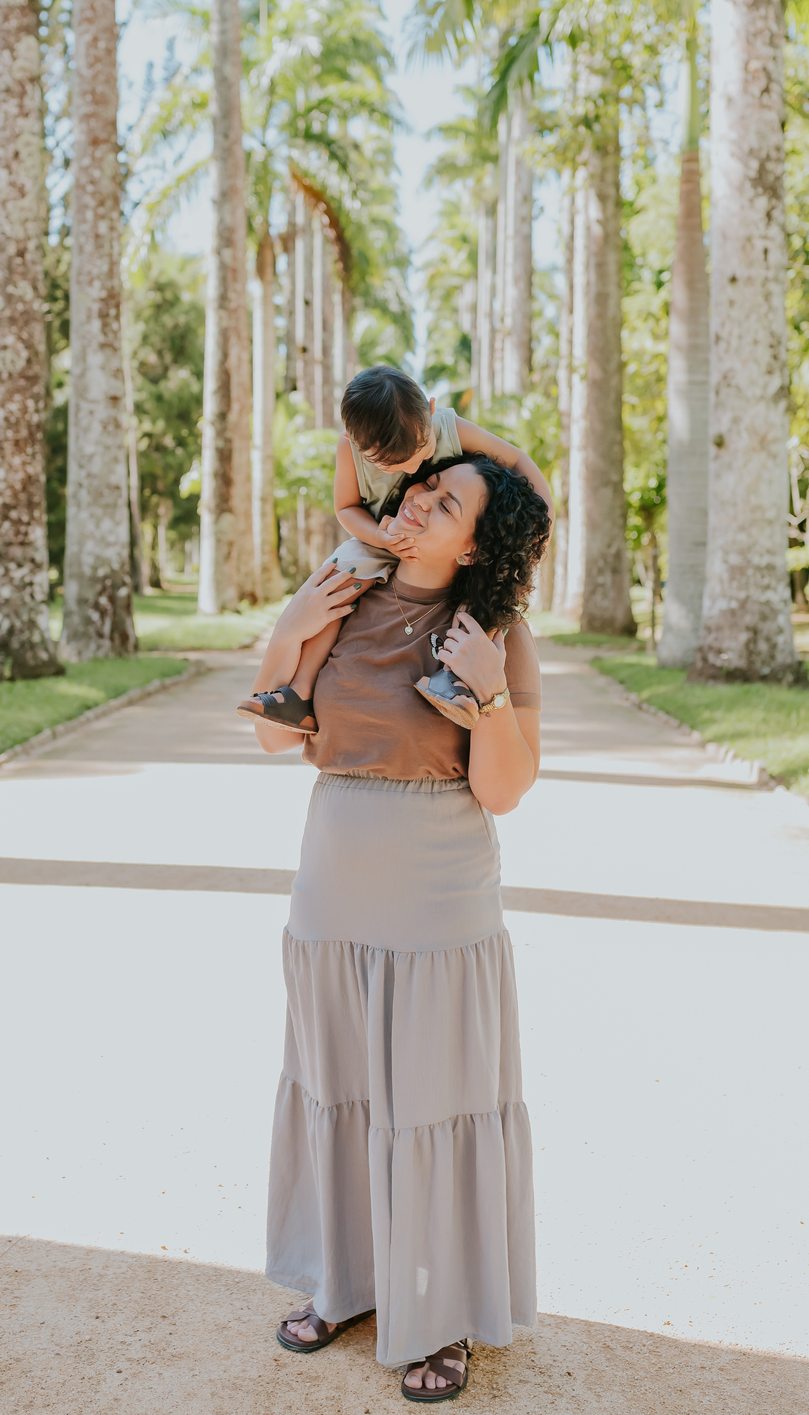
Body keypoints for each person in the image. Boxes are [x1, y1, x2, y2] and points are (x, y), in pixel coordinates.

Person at [251, 454, 550, 1401]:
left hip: (441, 899)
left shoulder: (495, 629)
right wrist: (288, 630)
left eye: (448, 500)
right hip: (332, 886)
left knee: (435, 1104)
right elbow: (274, 733)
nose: (420, 502)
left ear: (476, 545)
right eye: (422, 488)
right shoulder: (340, 589)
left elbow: (503, 788)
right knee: (335, 1087)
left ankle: (444, 1315)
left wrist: (490, 690)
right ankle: (343, 1282)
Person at [238, 365, 553, 733]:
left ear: (432, 410)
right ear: (356, 444)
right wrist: (379, 538)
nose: (414, 470)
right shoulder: (349, 453)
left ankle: (455, 680)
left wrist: (540, 520)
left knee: (481, 588)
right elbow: (346, 508)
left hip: (434, 543)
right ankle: (300, 693)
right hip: (380, 535)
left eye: (423, 457)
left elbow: (517, 461)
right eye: (393, 466)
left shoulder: (450, 427)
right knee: (336, 590)